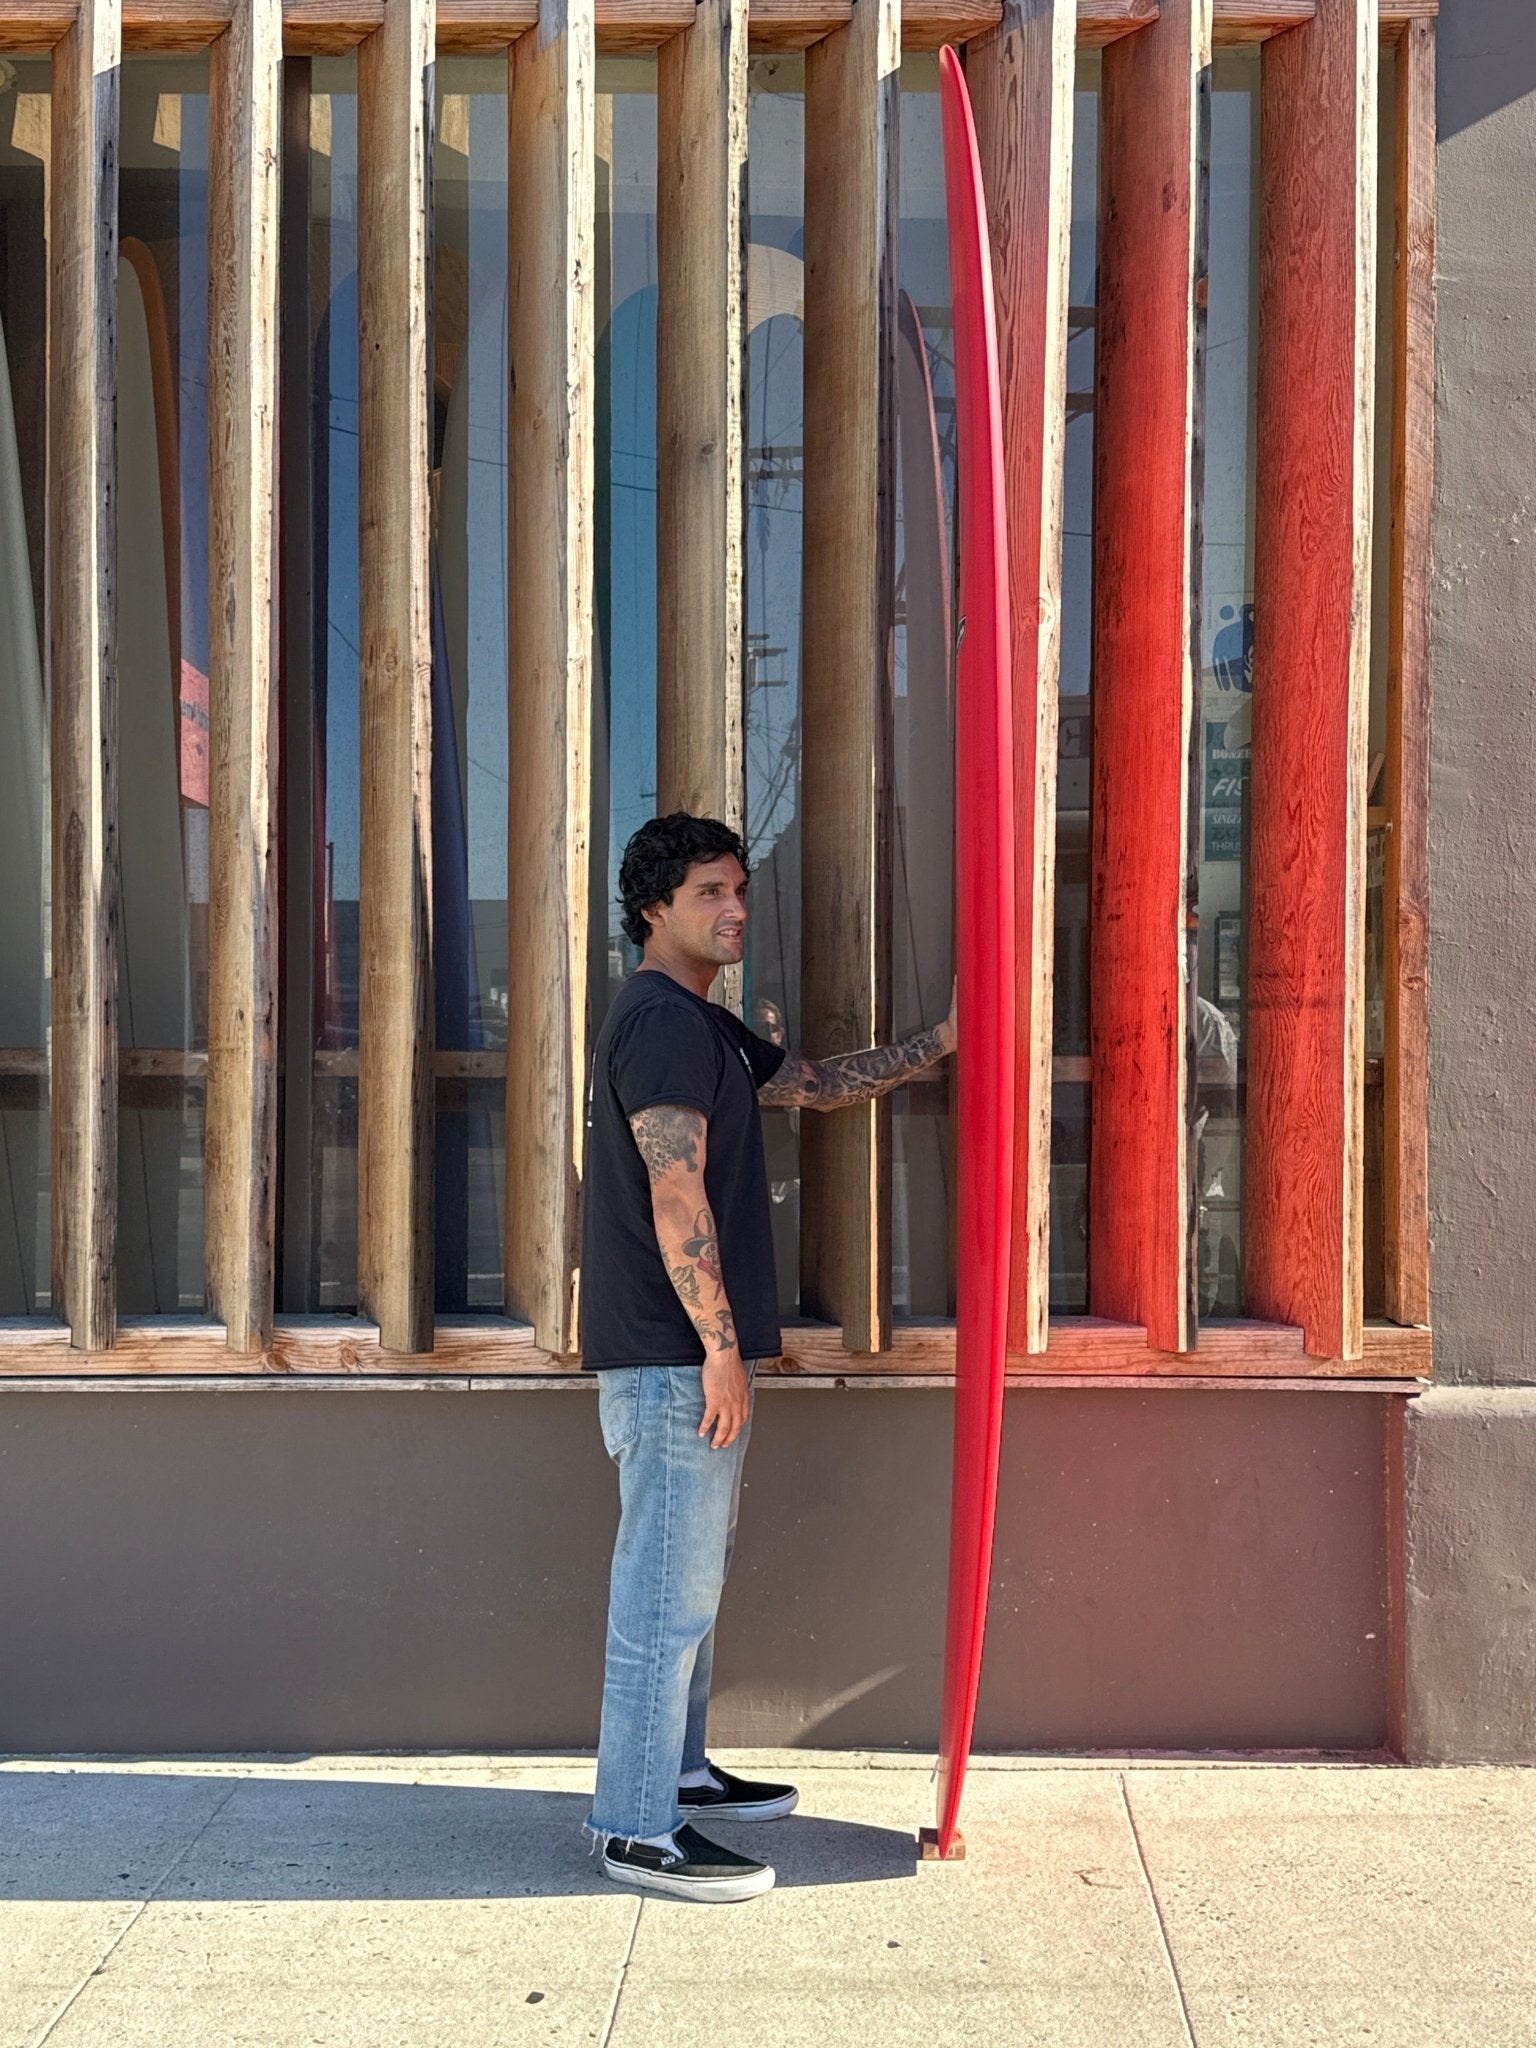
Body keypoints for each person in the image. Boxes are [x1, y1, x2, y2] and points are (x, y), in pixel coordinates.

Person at [582, 812, 957, 1903]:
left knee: (687, 1587)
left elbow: (815, 1082)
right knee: (664, 1598)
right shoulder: (660, 1022)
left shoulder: (704, 1024)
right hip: (673, 1360)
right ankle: (633, 1828)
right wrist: (719, 1347)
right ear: (653, 908)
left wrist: (939, 1042)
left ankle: (678, 1776)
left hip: (686, 1359)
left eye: (739, 889)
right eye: (709, 891)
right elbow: (676, 1191)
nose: (735, 907)